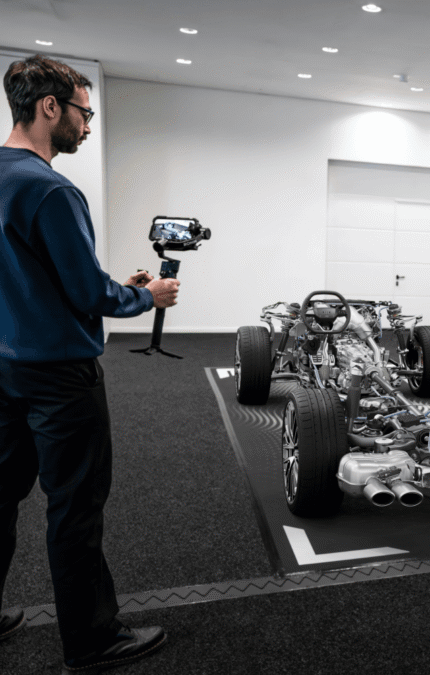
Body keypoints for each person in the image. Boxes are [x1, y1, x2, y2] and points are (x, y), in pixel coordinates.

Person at [0, 55, 179, 673]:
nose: (87, 124)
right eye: (84, 112)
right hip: (59, 377)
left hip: (3, 367)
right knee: (74, 506)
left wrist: (110, 286)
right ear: (50, 107)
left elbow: (34, 277)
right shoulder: (50, 188)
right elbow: (86, 293)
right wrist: (146, 297)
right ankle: (91, 640)